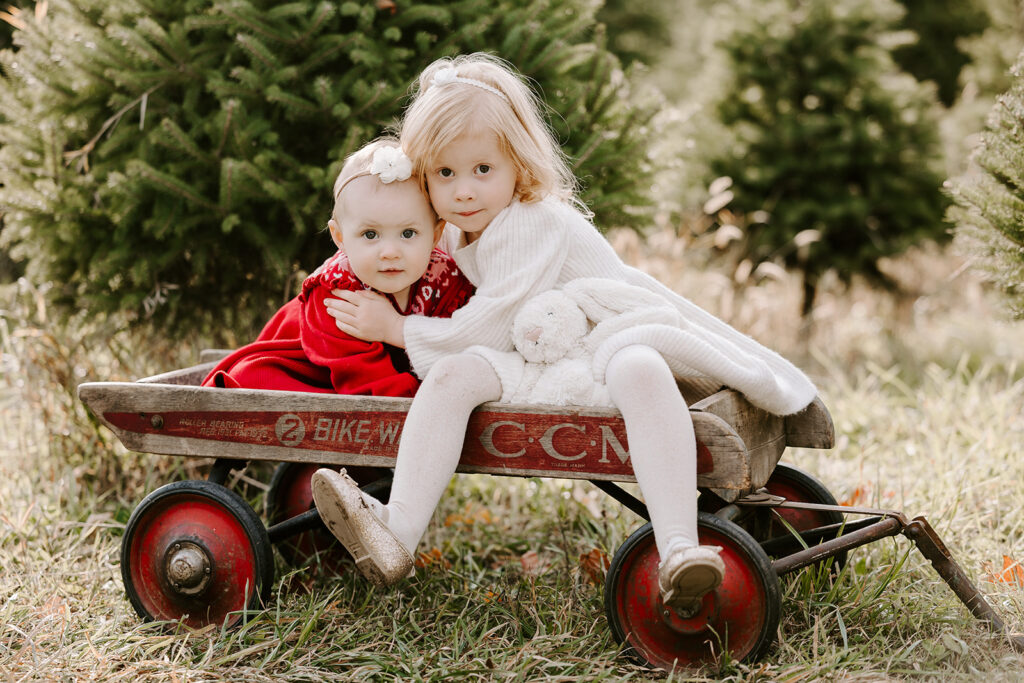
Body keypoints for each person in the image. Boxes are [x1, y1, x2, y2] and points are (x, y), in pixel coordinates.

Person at [310, 54, 817, 612]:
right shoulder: (462, 230)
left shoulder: (531, 221)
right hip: (543, 352)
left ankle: (677, 547)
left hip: (606, 331)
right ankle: (397, 531)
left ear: (518, 163)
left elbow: (492, 322)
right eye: (445, 174)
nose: (464, 191)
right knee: (454, 375)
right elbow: (487, 326)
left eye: (483, 170)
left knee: (640, 369)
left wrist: (399, 329)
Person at [201, 138, 474, 396]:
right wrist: (427, 400)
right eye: (370, 235)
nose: (390, 252)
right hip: (310, 369)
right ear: (340, 238)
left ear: (436, 235)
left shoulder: (446, 280)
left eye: (408, 233)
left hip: (374, 385)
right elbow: (365, 378)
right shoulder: (337, 292)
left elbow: (454, 343)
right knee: (253, 377)